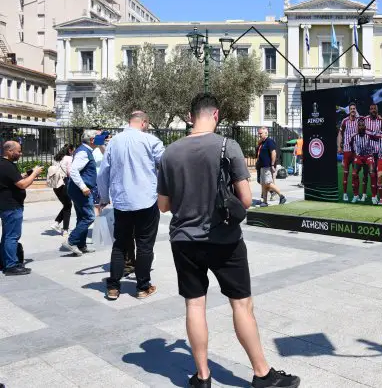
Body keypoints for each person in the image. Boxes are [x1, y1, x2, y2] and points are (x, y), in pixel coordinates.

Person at [157, 93, 300, 388]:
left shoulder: (169, 153)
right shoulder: (228, 146)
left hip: (184, 240)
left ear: (189, 115)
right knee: (241, 305)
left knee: (194, 306)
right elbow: (246, 200)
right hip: (224, 239)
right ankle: (262, 374)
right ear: (216, 114)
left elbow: (163, 206)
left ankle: (202, 377)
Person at [98, 111, 164, 300]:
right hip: (146, 201)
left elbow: (103, 173)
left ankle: (113, 287)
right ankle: (142, 287)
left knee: (120, 245)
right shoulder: (151, 141)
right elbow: (166, 164)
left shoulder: (113, 143)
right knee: (145, 245)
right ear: (144, 123)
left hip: (122, 202)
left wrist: (104, 197)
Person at [0, 141, 43, 275]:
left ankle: (5, 261)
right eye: (18, 151)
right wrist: (34, 173)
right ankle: (11, 266)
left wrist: (25, 175)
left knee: (7, 236)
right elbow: (22, 185)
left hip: (6, 205)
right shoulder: (7, 166)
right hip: (11, 206)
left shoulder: (4, 164)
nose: (20, 153)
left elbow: (13, 180)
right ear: (9, 151)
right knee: (12, 236)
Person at [63, 130, 100, 256]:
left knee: (82, 217)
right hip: (80, 190)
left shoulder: (86, 150)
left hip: (77, 189)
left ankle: (81, 245)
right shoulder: (84, 151)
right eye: (99, 138)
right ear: (92, 140)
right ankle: (71, 241)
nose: (102, 139)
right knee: (89, 217)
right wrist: (83, 187)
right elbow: (73, 170)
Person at [349, 118, 377, 204]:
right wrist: (355, 158)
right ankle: (356, 195)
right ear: (357, 127)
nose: (361, 127)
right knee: (354, 174)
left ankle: (374, 196)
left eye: (362, 125)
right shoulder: (353, 136)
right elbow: (352, 148)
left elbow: (378, 138)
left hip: (368, 156)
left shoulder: (369, 135)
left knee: (372, 174)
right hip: (359, 156)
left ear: (365, 126)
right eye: (359, 125)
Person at [256, 127, 286, 207]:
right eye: (259, 133)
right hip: (262, 166)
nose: (259, 135)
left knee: (268, 183)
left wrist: (272, 165)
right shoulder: (262, 142)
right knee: (263, 184)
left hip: (267, 166)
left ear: (266, 133)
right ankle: (265, 202)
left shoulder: (269, 141)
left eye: (260, 133)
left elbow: (274, 153)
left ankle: (281, 196)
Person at [48, 145, 74, 235]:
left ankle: (57, 223)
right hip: (64, 183)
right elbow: (69, 173)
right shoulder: (69, 158)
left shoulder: (56, 158)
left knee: (66, 205)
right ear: (70, 150)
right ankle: (64, 229)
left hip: (56, 185)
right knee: (68, 205)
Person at [337, 102, 360, 202]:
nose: (353, 110)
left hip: (356, 151)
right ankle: (345, 194)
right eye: (351, 109)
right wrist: (339, 146)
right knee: (345, 173)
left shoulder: (359, 121)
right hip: (346, 151)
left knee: (355, 174)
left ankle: (356, 195)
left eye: (354, 108)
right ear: (349, 110)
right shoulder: (345, 121)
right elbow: (340, 134)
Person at [362, 104, 382, 201]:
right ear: (369, 110)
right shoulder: (365, 119)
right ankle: (364, 194)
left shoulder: (381, 120)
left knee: (376, 173)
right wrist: (374, 133)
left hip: (377, 151)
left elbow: (381, 136)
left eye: (375, 109)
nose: (373, 110)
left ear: (377, 110)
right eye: (371, 109)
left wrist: (370, 133)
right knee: (365, 173)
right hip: (367, 151)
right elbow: (362, 131)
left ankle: (375, 195)